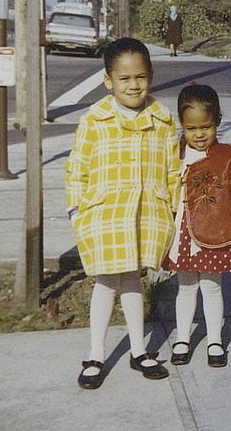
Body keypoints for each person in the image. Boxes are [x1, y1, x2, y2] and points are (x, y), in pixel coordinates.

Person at [65, 37, 180, 389]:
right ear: (108, 80)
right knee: (105, 282)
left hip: (145, 213)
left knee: (133, 280)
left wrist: (173, 209)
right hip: (105, 215)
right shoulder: (95, 120)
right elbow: (77, 168)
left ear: (151, 76)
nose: (134, 85)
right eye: (125, 78)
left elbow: (172, 169)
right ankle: (95, 354)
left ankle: (138, 349)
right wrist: (76, 209)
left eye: (141, 77)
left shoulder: (162, 120)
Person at [163, 83, 231, 367]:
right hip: (181, 233)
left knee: (212, 287)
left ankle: (215, 340)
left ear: (217, 121)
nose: (200, 134)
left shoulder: (229, 156)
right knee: (186, 287)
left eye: (206, 127)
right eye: (192, 129)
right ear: (182, 125)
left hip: (214, 233)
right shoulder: (174, 153)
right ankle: (182, 338)